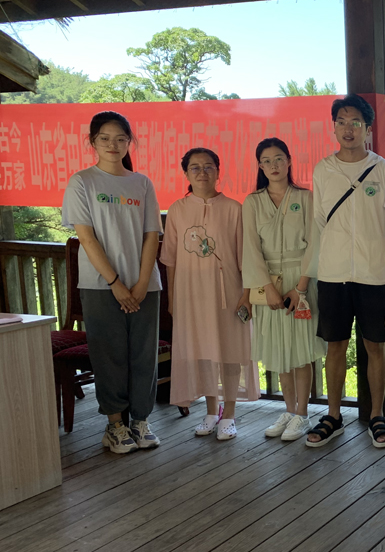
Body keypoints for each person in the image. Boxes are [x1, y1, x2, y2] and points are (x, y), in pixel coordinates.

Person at [61, 111, 163, 454]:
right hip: (99, 285)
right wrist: (116, 283)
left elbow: (151, 236)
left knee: (143, 355)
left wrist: (142, 282)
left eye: (120, 138)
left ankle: (141, 421)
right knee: (108, 354)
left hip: (145, 285)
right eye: (104, 138)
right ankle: (115, 425)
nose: (113, 144)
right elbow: (87, 239)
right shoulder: (82, 182)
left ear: (129, 142)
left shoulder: (142, 183)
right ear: (92, 141)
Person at [306, 94, 385, 448]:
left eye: (355, 122)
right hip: (333, 273)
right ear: (334, 128)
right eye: (342, 122)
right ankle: (333, 415)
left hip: (375, 272)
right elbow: (319, 220)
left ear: (367, 129)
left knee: (376, 345)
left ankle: (377, 415)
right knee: (335, 346)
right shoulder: (323, 170)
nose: (348, 129)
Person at [161, 147, 259, 440]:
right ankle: (211, 410)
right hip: (191, 294)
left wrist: (246, 295)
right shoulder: (177, 209)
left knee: (229, 352)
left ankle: (229, 414)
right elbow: (170, 260)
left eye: (208, 167)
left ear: (218, 171)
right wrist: (173, 300)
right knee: (203, 351)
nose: (202, 172)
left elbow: (245, 258)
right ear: (186, 173)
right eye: (195, 167)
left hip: (228, 292)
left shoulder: (234, 209)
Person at [242, 138, 327, 441]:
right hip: (268, 283)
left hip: (301, 280)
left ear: (289, 161)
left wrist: (300, 287)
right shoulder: (253, 202)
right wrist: (267, 287)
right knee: (278, 349)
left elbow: (315, 242)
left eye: (279, 158)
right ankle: (289, 411)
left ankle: (303, 414)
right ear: (260, 166)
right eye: (266, 161)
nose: (273, 165)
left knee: (301, 349)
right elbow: (250, 248)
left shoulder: (305, 198)